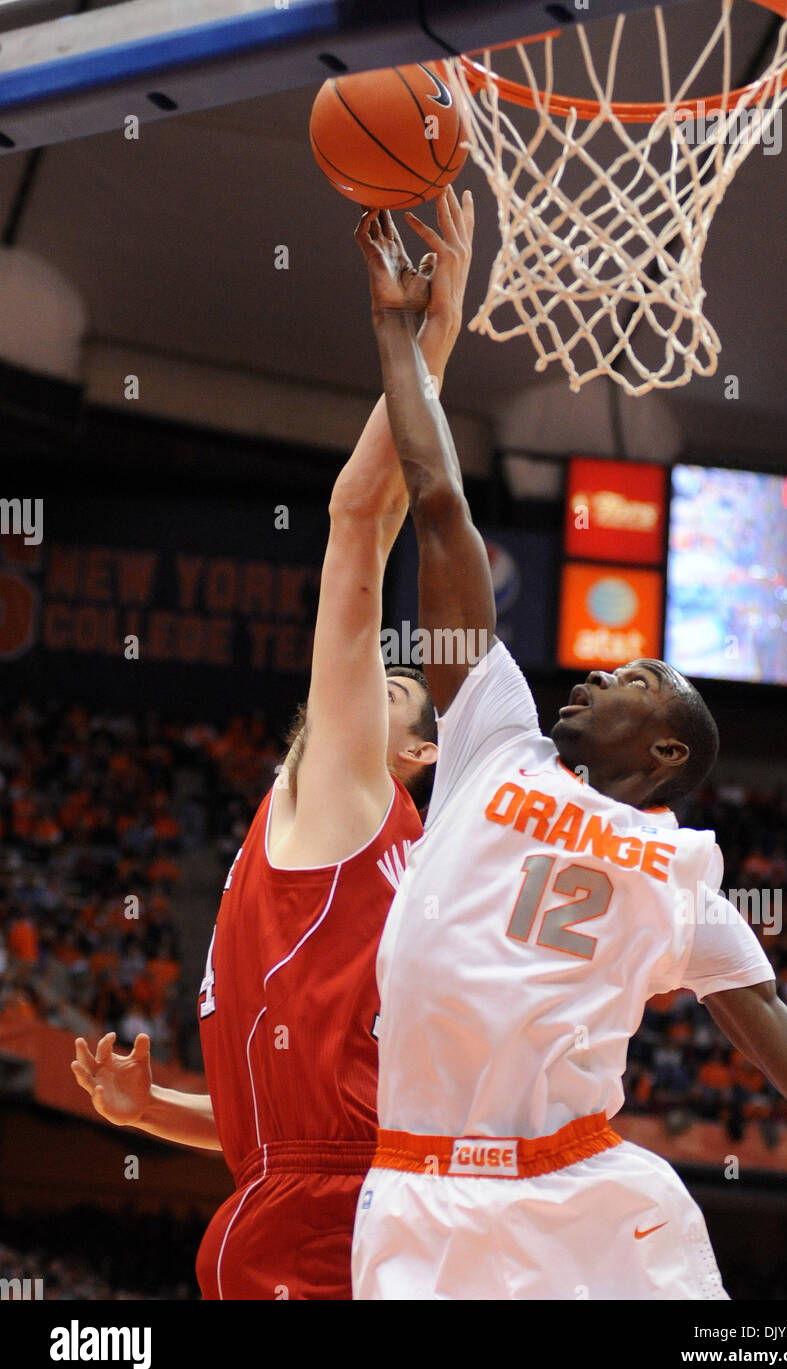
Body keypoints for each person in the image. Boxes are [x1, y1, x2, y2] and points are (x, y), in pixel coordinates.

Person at [350, 198, 787, 1300]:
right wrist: (401, 331)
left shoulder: (685, 876)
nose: (594, 673)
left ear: (668, 752)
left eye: (634, 680)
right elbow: (439, 506)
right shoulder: (494, 734)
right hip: (416, 1194)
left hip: (582, 1197)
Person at [70, 190, 473, 1300]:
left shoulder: (384, 831)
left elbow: (287, 1137)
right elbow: (362, 521)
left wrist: (154, 1113)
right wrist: (423, 337)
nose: (369, 678)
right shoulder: (338, 803)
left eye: (396, 686)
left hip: (347, 1201)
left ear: (421, 753)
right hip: (324, 1219)